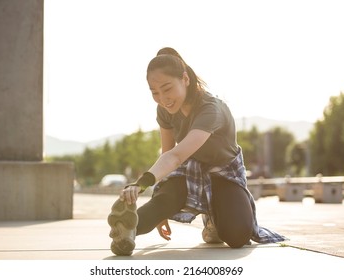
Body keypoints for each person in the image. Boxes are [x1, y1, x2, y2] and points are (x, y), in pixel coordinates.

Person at [107, 47, 286, 256]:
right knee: (163, 202)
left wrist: (142, 183)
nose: (163, 99)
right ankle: (127, 230)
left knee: (238, 237)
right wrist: (158, 201)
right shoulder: (165, 110)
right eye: (155, 92)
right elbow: (168, 154)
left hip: (223, 174)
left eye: (167, 88)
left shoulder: (211, 109)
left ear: (185, 79)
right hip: (187, 171)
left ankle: (214, 219)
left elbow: (175, 156)